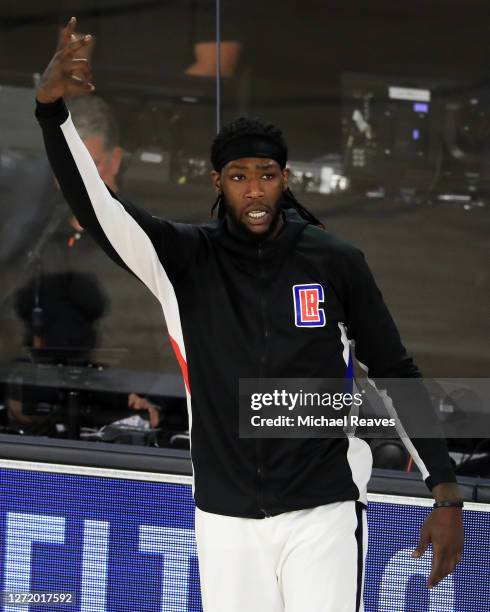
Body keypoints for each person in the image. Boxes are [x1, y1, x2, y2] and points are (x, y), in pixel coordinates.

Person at [34, 18, 464, 611]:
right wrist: (51, 114)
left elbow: (394, 371)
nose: (254, 191)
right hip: (226, 519)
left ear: (285, 180)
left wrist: (444, 493)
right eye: (239, 177)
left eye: (266, 175)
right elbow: (97, 206)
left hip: (324, 511)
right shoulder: (181, 260)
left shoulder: (335, 261)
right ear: (219, 182)